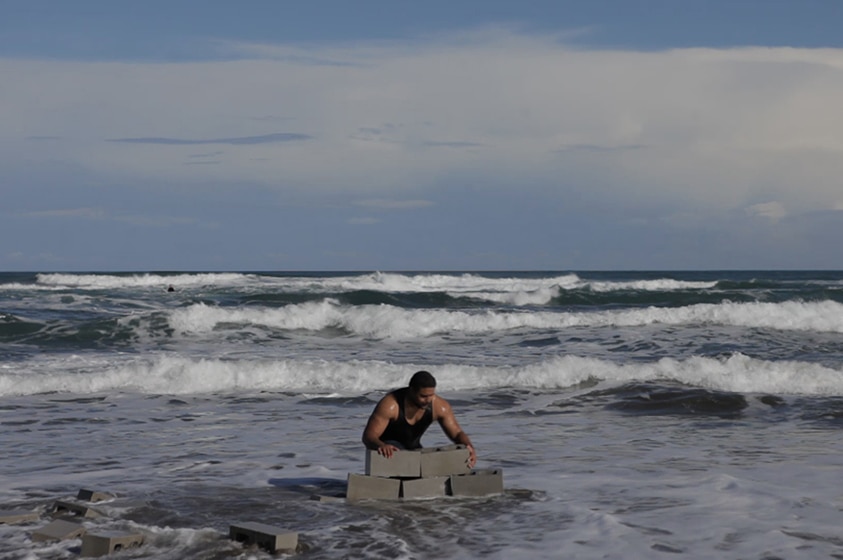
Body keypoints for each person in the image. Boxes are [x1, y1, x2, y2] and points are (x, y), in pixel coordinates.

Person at [362, 371, 476, 467]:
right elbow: (369, 436)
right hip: (387, 450)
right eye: (423, 396)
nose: (428, 400)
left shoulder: (440, 406)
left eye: (431, 395)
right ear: (411, 391)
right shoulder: (391, 405)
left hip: (413, 449)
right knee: (398, 451)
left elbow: (457, 433)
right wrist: (381, 446)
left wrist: (468, 447)